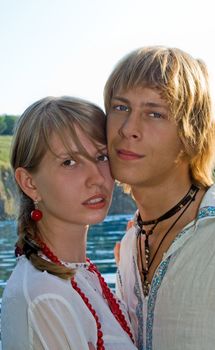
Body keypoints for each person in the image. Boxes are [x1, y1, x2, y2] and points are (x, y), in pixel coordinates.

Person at [104, 46, 215, 350]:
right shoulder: (129, 246)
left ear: (194, 132)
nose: (128, 129)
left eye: (154, 113)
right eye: (121, 107)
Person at [1, 96, 137, 350]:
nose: (96, 177)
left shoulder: (79, 276)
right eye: (69, 162)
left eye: (101, 156)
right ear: (30, 183)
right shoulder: (45, 295)